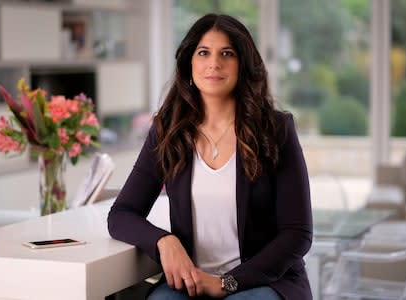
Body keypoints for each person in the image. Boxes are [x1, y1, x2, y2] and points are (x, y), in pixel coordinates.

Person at [108, 13, 312, 300]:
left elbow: (297, 233)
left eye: (226, 53)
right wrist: (164, 241)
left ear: (242, 64)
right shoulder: (168, 131)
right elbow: (122, 214)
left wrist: (227, 283)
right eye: (203, 52)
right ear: (189, 62)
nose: (214, 63)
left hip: (262, 282)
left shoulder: (276, 130)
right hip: (192, 282)